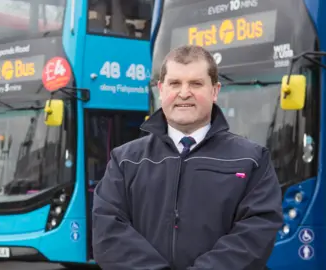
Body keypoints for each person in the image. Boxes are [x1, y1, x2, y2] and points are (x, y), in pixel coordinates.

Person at [92, 45, 283, 270]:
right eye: (175, 83)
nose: (184, 93)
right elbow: (108, 232)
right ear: (161, 90)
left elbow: (255, 234)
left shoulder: (252, 160)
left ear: (215, 90)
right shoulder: (124, 160)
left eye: (196, 83)